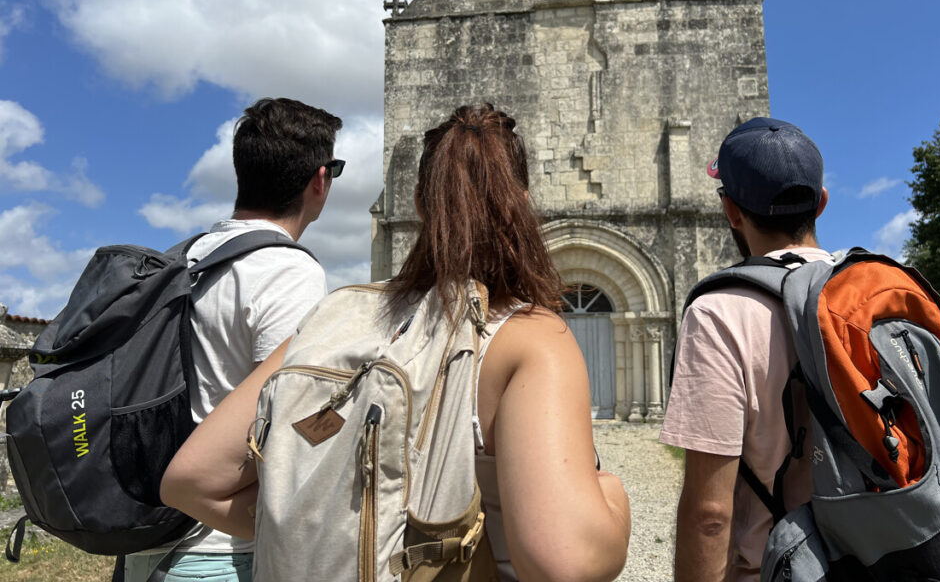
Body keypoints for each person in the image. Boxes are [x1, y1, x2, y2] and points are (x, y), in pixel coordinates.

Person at [161, 102, 631, 581]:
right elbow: (564, 563)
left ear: (418, 202)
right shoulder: (533, 337)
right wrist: (612, 494)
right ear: (524, 202)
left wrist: (328, 528)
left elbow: (193, 482)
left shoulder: (336, 318)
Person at [125, 97, 343, 582]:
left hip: (148, 545)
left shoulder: (184, 259)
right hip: (223, 554)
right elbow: (289, 424)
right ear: (320, 180)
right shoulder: (289, 272)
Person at [659, 117, 831, 582]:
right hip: (898, 559)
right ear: (821, 203)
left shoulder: (721, 313)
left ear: (731, 211)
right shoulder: (884, 294)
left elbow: (709, 514)